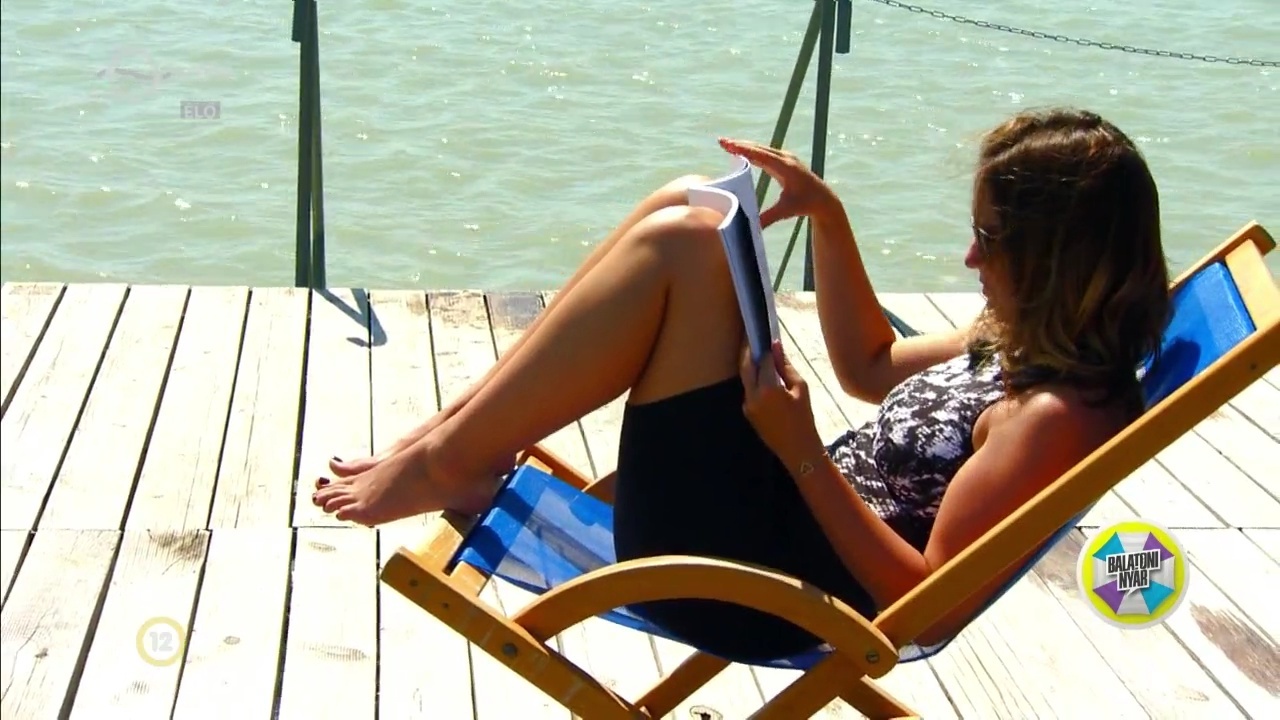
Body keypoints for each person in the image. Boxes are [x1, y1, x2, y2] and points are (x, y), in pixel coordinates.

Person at [313, 107, 1171, 663]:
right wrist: (828, 215)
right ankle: (453, 437)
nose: (971, 257)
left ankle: (451, 459)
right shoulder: (1016, 337)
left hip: (765, 591)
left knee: (685, 246)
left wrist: (800, 450)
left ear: (1064, 262)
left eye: (993, 239)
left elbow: (921, 607)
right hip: (764, 516)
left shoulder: (1056, 419)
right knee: (691, 201)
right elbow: (869, 369)